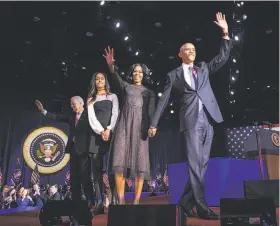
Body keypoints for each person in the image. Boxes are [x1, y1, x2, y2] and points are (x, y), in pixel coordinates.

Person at [148, 12, 232, 220]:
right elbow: (163, 101)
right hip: (190, 121)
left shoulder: (203, 68)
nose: (192, 51)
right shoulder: (173, 76)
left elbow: (222, 58)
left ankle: (185, 202)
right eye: (188, 49)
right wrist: (154, 123)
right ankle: (202, 207)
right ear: (180, 54)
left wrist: (225, 33)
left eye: (194, 49)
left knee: (202, 164)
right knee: (195, 164)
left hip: (209, 119)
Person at [103, 47, 156, 205]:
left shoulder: (149, 92)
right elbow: (115, 77)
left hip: (140, 129)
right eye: (135, 72)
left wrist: (153, 126)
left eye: (140, 72)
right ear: (131, 74)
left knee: (141, 164)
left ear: (143, 74)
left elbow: (151, 111)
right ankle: (120, 200)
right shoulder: (125, 87)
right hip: (124, 127)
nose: (137, 74)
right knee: (119, 161)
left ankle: (137, 200)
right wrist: (111, 66)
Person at [35, 96, 94, 225]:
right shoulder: (71, 116)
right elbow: (57, 117)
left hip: (84, 151)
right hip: (73, 150)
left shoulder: (89, 115)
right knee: (74, 178)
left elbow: (93, 131)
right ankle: (76, 202)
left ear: (81, 103)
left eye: (74, 104)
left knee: (84, 176)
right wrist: (43, 111)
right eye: (71, 105)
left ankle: (91, 201)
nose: (72, 107)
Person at [87, 72, 119, 215]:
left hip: (111, 134)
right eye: (97, 79)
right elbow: (91, 118)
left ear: (105, 81)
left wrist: (109, 129)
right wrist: (101, 131)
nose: (99, 80)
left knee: (112, 169)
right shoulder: (90, 99)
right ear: (94, 82)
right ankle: (99, 203)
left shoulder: (112, 96)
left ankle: (114, 202)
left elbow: (115, 113)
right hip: (96, 136)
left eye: (102, 78)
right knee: (97, 171)